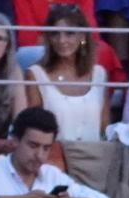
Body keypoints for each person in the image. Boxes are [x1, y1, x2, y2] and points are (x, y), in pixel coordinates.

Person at [0, 105, 111, 198]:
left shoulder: (52, 175)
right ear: (15, 141)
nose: (40, 156)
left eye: (46, 148)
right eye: (33, 146)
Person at [23, 4, 108, 142]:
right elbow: (32, 128)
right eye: (55, 34)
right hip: (55, 158)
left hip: (94, 157)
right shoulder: (35, 75)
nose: (62, 41)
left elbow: (104, 128)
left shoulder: (99, 74)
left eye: (69, 33)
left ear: (82, 36)